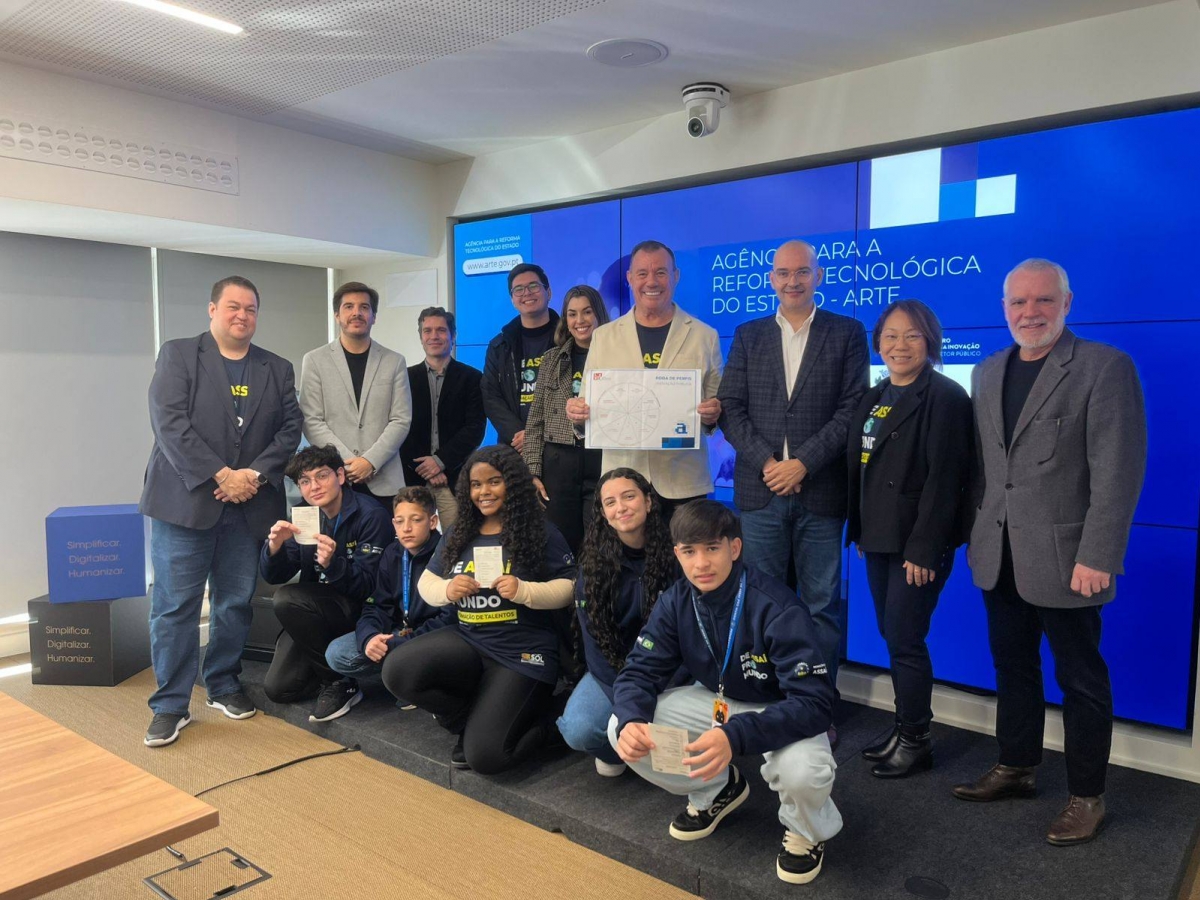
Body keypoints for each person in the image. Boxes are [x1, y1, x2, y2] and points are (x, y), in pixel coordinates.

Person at [953, 259, 1147, 846]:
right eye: (1018, 302)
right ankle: (1017, 766)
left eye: (1043, 300)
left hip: (1071, 560)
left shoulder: (1103, 367)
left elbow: (1117, 471)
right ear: (1004, 308)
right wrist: (977, 535)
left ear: (1067, 303)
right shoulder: (988, 370)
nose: (1029, 312)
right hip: (1000, 553)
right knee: (1013, 666)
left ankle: (1087, 796)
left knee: (1080, 679)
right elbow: (987, 469)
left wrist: (1099, 553)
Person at [609, 500, 841, 885]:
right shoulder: (675, 601)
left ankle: (806, 829)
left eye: (712, 548)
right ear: (677, 554)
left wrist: (734, 736)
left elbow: (816, 704)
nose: (701, 563)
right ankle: (717, 789)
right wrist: (633, 717)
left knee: (802, 773)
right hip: (717, 703)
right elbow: (638, 672)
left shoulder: (777, 607)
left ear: (734, 548)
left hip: (781, 709)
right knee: (622, 727)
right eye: (689, 551)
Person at [140, 275, 303, 748]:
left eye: (251, 309)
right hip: (185, 504)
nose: (242, 316)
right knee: (175, 607)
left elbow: (290, 429)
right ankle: (170, 705)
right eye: (233, 306)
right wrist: (220, 474)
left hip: (249, 506)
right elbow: (169, 423)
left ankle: (223, 682)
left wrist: (252, 475)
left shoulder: (276, 367)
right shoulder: (178, 355)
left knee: (234, 603)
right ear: (212, 309)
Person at [717, 239, 868, 706]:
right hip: (760, 491)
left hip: (820, 491)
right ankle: (769, 702)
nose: (793, 281)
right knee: (762, 603)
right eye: (783, 273)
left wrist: (803, 462)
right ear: (771, 280)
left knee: (821, 606)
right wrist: (769, 464)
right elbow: (730, 408)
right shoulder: (749, 334)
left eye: (802, 272)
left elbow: (853, 408)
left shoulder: (847, 332)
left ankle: (817, 707)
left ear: (818, 276)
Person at [381, 445, 576, 774]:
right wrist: (448, 589)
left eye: (494, 481)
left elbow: (570, 587)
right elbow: (428, 583)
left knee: (487, 758)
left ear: (512, 483)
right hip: (470, 640)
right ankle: (468, 721)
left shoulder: (539, 530)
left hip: (522, 652)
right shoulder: (460, 532)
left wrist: (525, 591)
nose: (484, 491)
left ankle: (554, 721)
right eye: (476, 484)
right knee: (397, 670)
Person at [846, 300, 973, 778]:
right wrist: (860, 529)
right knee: (893, 635)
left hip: (916, 545)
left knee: (905, 638)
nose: (900, 345)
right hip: (879, 538)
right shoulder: (875, 395)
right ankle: (905, 728)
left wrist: (925, 549)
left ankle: (917, 739)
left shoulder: (945, 397)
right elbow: (863, 470)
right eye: (891, 336)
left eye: (912, 335)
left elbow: (947, 481)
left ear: (930, 341)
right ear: (878, 342)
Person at [566, 241, 723, 524]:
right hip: (623, 484)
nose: (651, 281)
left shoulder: (705, 336)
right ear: (630, 278)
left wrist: (712, 416)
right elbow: (588, 408)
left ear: (676, 276)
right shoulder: (604, 337)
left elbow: (716, 411)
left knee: (686, 552)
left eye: (661, 272)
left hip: (684, 483)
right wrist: (578, 416)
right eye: (642, 273)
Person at [557, 468, 679, 776]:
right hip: (615, 670)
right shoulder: (593, 567)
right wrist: (629, 703)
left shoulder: (677, 554)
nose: (621, 507)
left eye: (629, 496)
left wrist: (662, 688)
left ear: (648, 501)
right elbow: (594, 646)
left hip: (671, 671)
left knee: (675, 725)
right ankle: (619, 749)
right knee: (578, 729)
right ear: (603, 513)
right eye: (610, 502)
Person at [259, 444, 392, 722]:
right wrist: (275, 547)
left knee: (287, 598)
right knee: (279, 689)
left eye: (322, 476)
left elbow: (370, 587)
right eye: (305, 481)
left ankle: (340, 682)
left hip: (359, 610)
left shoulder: (371, 515)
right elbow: (275, 575)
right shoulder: (304, 513)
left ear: (340, 476)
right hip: (314, 612)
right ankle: (331, 672)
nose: (314, 487)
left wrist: (333, 565)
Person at [323, 486, 451, 696]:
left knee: (441, 646)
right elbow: (377, 605)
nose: (406, 528)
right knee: (337, 653)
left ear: (432, 522)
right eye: (400, 521)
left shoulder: (447, 554)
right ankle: (405, 679)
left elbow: (449, 619)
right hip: (400, 632)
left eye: (416, 520)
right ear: (393, 524)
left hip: (433, 637)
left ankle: (416, 681)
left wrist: (400, 644)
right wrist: (370, 637)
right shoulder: (392, 553)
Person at [299, 281, 412, 507]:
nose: (356, 313)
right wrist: (348, 464)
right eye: (348, 306)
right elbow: (311, 420)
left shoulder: (394, 361)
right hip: (334, 479)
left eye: (364, 307)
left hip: (383, 480)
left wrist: (370, 461)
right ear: (337, 315)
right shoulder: (314, 360)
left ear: (374, 316)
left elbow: (401, 419)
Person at [523, 285, 610, 552]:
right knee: (561, 545)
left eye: (587, 312)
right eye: (572, 314)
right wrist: (532, 471)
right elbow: (535, 421)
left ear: (599, 314)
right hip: (558, 464)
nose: (579, 320)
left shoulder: (617, 357)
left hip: (602, 459)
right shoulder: (551, 359)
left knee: (600, 543)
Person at [401, 306, 486, 530]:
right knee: (411, 540)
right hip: (413, 477)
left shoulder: (472, 378)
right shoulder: (404, 378)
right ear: (421, 337)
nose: (434, 336)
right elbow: (399, 426)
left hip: (455, 478)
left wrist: (440, 462)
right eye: (427, 331)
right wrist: (426, 468)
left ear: (453, 335)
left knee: (460, 539)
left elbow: (475, 428)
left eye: (441, 330)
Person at [482, 264, 560, 453]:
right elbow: (491, 397)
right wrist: (518, 433)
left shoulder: (567, 339)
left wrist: (536, 434)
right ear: (512, 299)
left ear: (548, 292)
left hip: (558, 445)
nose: (526, 293)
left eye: (533, 286)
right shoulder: (499, 346)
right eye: (518, 289)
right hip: (515, 446)